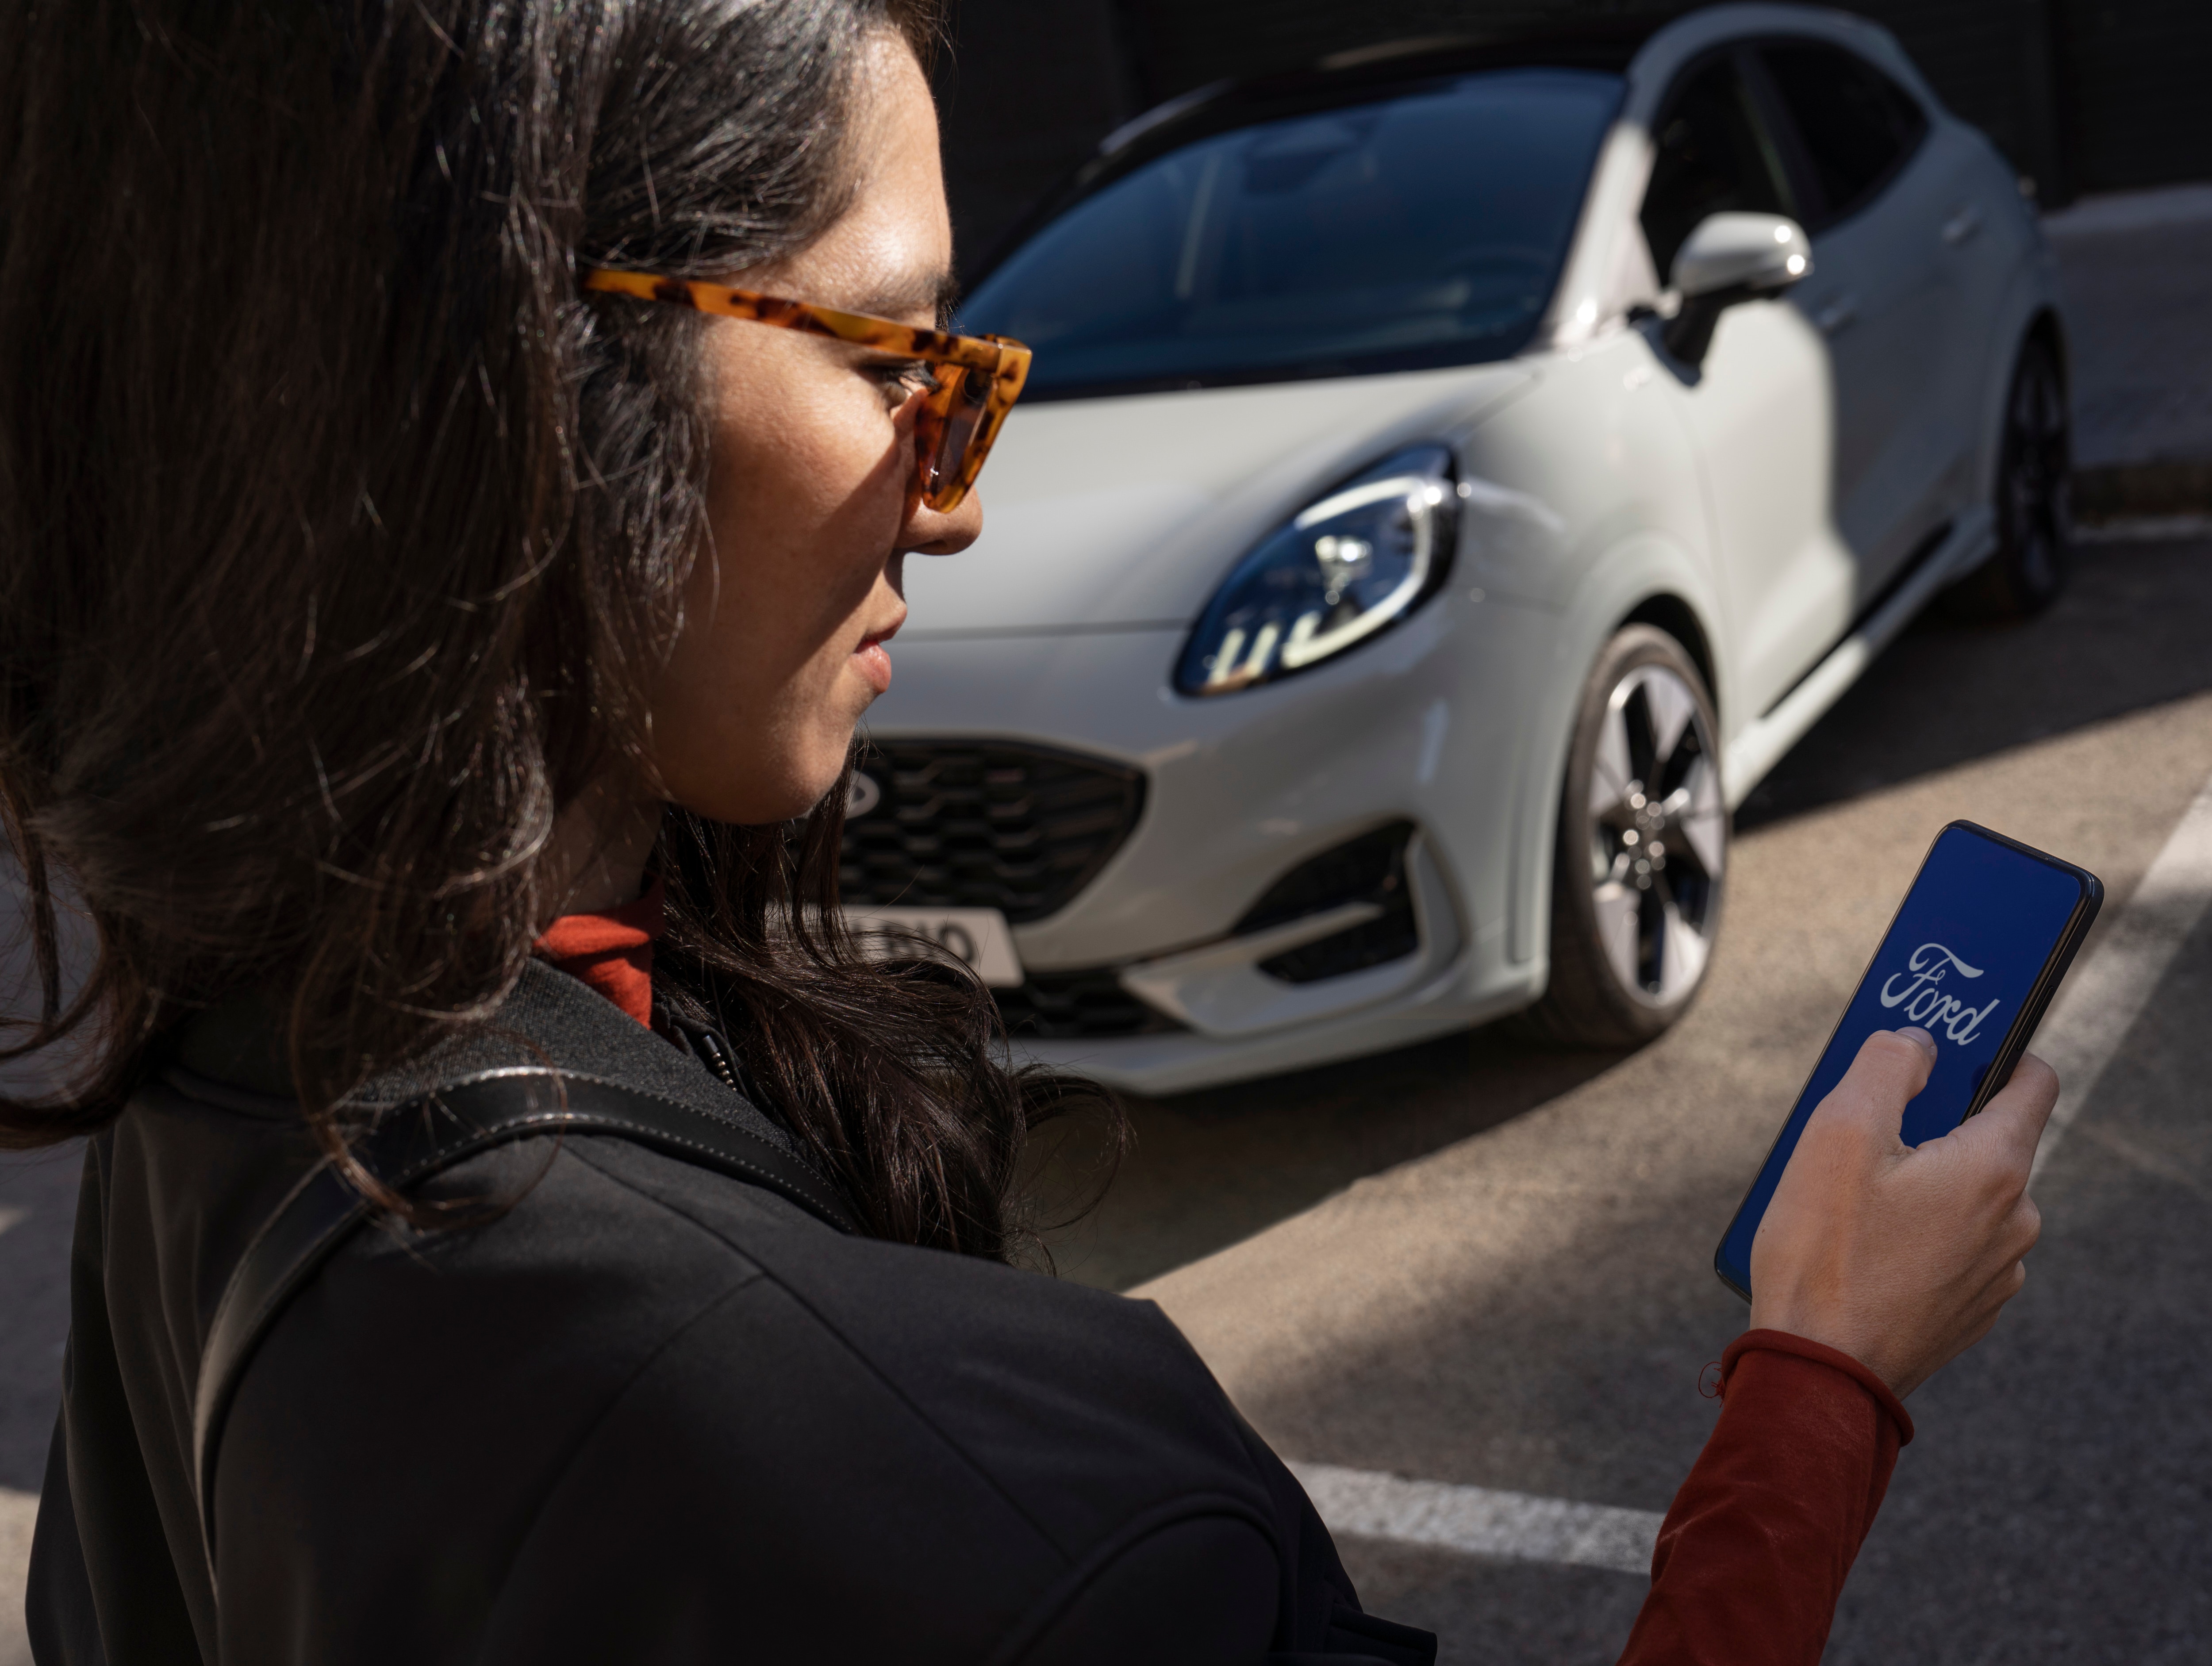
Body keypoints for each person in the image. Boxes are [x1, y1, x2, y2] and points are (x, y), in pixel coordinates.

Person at [0, 2, 2055, 1661]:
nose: (956, 501)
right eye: (901, 357)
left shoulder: (227, 1088)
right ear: (520, 376)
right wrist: (1818, 1371)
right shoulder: (985, 1522)